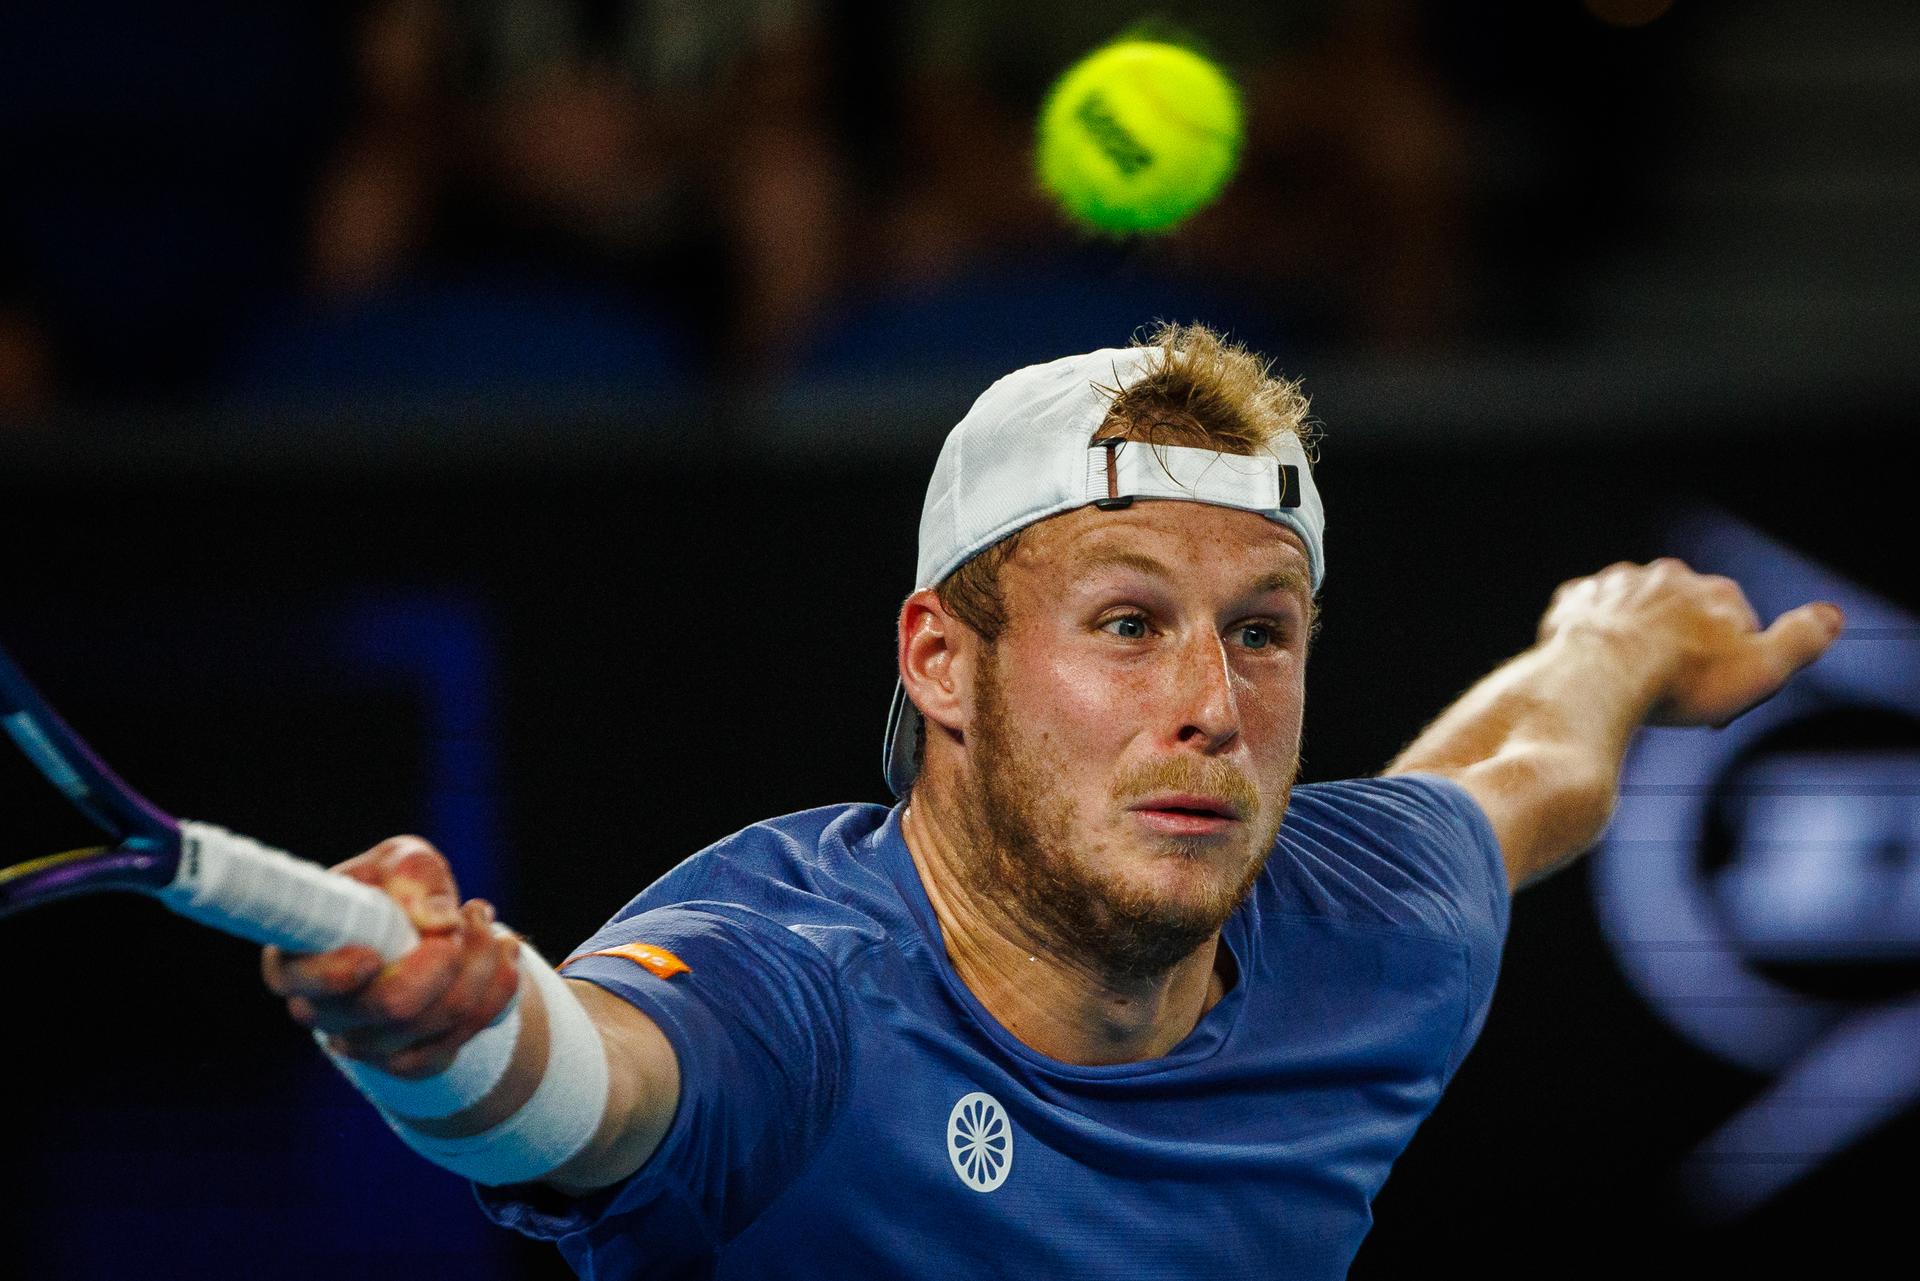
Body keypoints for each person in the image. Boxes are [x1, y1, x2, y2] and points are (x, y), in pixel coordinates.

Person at [262, 322, 1844, 1278]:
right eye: (1130, 622)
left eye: (1260, 633)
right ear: (944, 661)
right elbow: (600, 1081)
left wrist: (1620, 634)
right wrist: (451, 1031)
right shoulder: (789, 987)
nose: (1212, 706)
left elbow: (1527, 775)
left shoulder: (1375, 929)